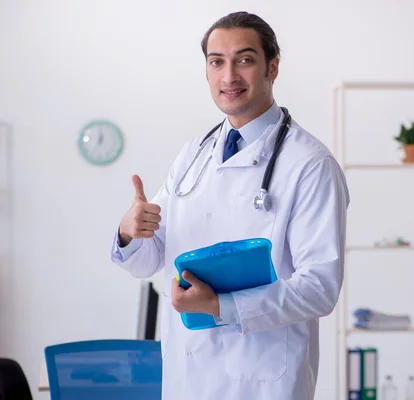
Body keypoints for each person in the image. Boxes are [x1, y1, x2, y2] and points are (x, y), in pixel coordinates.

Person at [110, 10, 349, 400]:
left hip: (261, 383)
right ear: (206, 72)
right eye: (216, 62)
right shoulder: (194, 154)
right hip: (186, 379)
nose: (229, 77)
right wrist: (129, 231)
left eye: (245, 60)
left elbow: (320, 287)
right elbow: (151, 260)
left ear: (272, 67)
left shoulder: (310, 165)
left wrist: (222, 306)